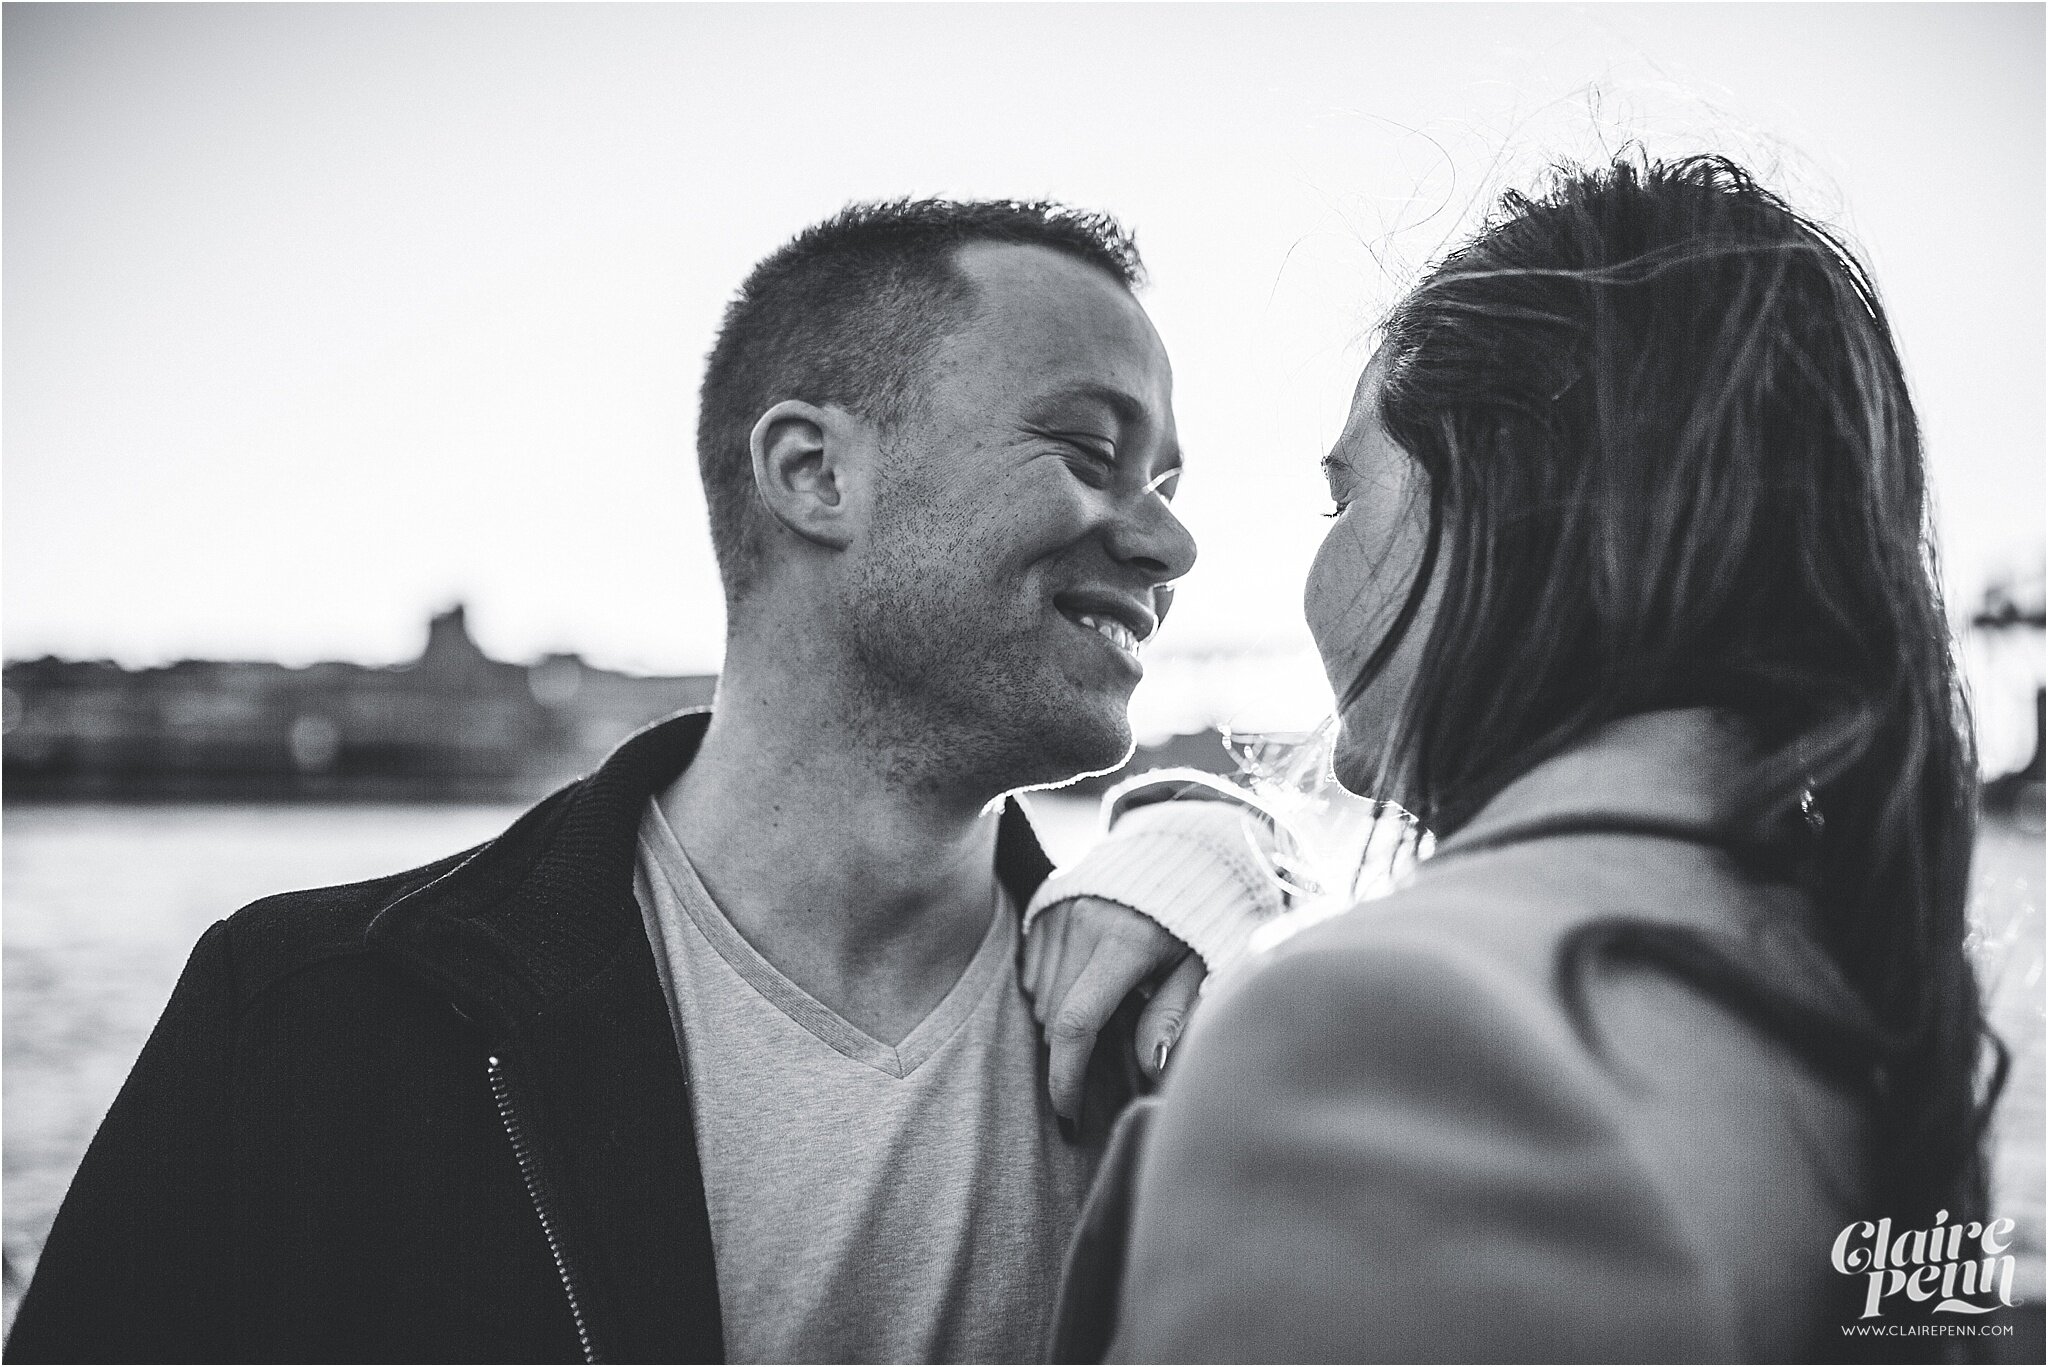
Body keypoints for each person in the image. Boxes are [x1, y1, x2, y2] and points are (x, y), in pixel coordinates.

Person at [5, 199, 1246, 1363]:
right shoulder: (306, 1017)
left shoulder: (1193, 1027)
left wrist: (1246, 876)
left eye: (1168, 486)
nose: (1168, 540)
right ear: (813, 472)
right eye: (1090, 450)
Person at [1036, 155, 2010, 1362]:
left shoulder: (1381, 1032)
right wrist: (1206, 843)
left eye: (1341, 498)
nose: (1317, 571)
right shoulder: (1851, 989)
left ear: (1500, 501)